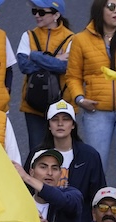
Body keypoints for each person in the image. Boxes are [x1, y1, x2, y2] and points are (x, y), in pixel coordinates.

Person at [67, 0, 116, 202]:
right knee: (97, 167)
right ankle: (98, 212)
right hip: (97, 112)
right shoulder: (80, 40)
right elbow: (73, 76)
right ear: (99, 9)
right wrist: (80, 99)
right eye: (111, 7)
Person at [30, 100, 106, 222]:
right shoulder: (37, 154)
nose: (60, 124)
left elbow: (98, 195)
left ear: (73, 125)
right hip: (43, 221)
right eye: (55, 120)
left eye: (65, 119)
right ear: (49, 125)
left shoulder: (89, 155)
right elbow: (27, 190)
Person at [17, 0, 74, 150]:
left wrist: (34, 56)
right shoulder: (28, 35)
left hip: (61, 106)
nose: (37, 15)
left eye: (41, 12)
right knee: (37, 151)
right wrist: (54, 59)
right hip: (33, 104)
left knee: (62, 150)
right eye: (34, 11)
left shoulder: (71, 39)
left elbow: (64, 67)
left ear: (56, 15)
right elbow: (24, 66)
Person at [16, 148, 84, 222]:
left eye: (54, 168)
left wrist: (26, 178)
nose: (49, 173)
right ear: (32, 172)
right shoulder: (21, 204)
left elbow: (64, 201)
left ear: (60, 174)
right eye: (43, 167)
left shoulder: (73, 195)